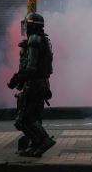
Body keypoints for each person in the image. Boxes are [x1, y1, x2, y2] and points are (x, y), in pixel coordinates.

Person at [7, 12, 56, 157]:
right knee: (34, 116)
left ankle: (44, 141)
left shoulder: (34, 40)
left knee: (22, 120)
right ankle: (34, 146)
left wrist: (15, 81)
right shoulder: (43, 39)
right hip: (41, 84)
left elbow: (30, 68)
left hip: (34, 85)